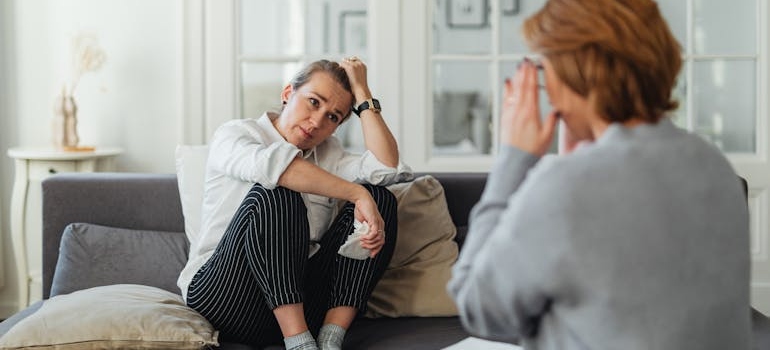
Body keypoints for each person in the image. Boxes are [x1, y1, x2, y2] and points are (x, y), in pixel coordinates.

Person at [447, 0, 750, 349]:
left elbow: (480, 309)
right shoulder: (715, 166)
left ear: (576, 70)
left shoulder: (566, 186)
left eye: (546, 69)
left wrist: (513, 160)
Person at [177, 58, 412, 349]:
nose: (317, 122)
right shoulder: (237, 134)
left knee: (381, 198)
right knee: (278, 190)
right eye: (314, 102)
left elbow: (386, 168)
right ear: (288, 93)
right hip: (226, 295)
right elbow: (279, 168)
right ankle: (299, 343)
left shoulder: (329, 155)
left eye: (333, 117)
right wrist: (355, 193)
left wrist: (363, 94)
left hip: (299, 300)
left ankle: (329, 338)